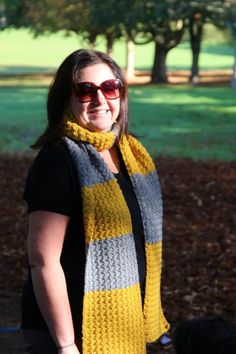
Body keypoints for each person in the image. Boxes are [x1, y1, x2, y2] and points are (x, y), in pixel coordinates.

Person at [21, 49, 169, 354]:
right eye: (86, 91)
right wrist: (65, 344)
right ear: (66, 98)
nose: (101, 100)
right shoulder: (57, 161)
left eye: (110, 87)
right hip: (69, 333)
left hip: (123, 329)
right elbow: (42, 260)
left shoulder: (131, 154)